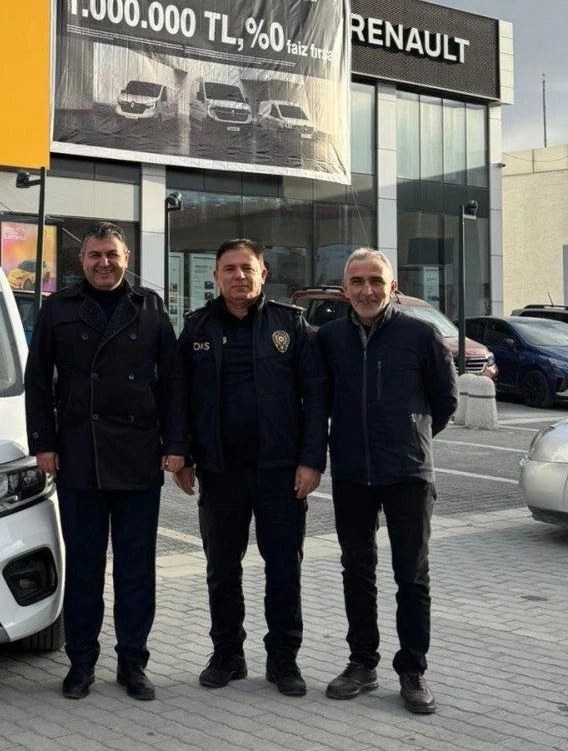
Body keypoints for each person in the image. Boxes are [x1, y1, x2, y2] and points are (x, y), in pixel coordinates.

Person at [24, 222, 184, 701]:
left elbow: (173, 381)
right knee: (85, 569)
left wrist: (177, 445)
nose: (104, 263)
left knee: (136, 570)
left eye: (112, 254)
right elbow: (37, 380)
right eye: (95, 255)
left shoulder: (150, 307)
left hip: (138, 455)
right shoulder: (58, 307)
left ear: (126, 258)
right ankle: (81, 663)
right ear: (82, 260)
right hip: (79, 455)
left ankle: (133, 663)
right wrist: (43, 443)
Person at [172, 239, 328, 697]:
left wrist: (311, 461)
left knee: (283, 569)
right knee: (222, 569)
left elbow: (316, 398)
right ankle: (227, 655)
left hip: (281, 472)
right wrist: (180, 454)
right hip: (220, 471)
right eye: (229, 269)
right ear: (216, 277)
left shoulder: (290, 325)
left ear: (264, 273)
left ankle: (283, 660)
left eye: (247, 268)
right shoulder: (197, 328)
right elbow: (178, 395)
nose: (238, 276)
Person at [318, 248, 457, 715]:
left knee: (411, 576)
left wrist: (410, 435)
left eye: (376, 280)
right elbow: (320, 400)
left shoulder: (420, 335)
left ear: (392, 287)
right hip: (352, 474)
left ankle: (412, 669)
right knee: (356, 571)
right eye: (357, 281)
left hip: (408, 475)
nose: (367, 290)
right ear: (345, 290)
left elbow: (445, 400)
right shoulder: (330, 339)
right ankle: (362, 663)